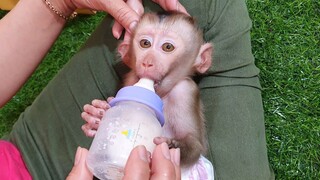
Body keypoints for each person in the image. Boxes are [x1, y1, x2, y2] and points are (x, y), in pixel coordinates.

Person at [0, 0, 275, 180]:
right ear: (126, 54)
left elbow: (187, 145)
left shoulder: (179, 91)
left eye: (166, 48)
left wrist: (59, 2)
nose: (149, 59)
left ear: (202, 59)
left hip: (19, 160)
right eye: (144, 44)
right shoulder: (137, 76)